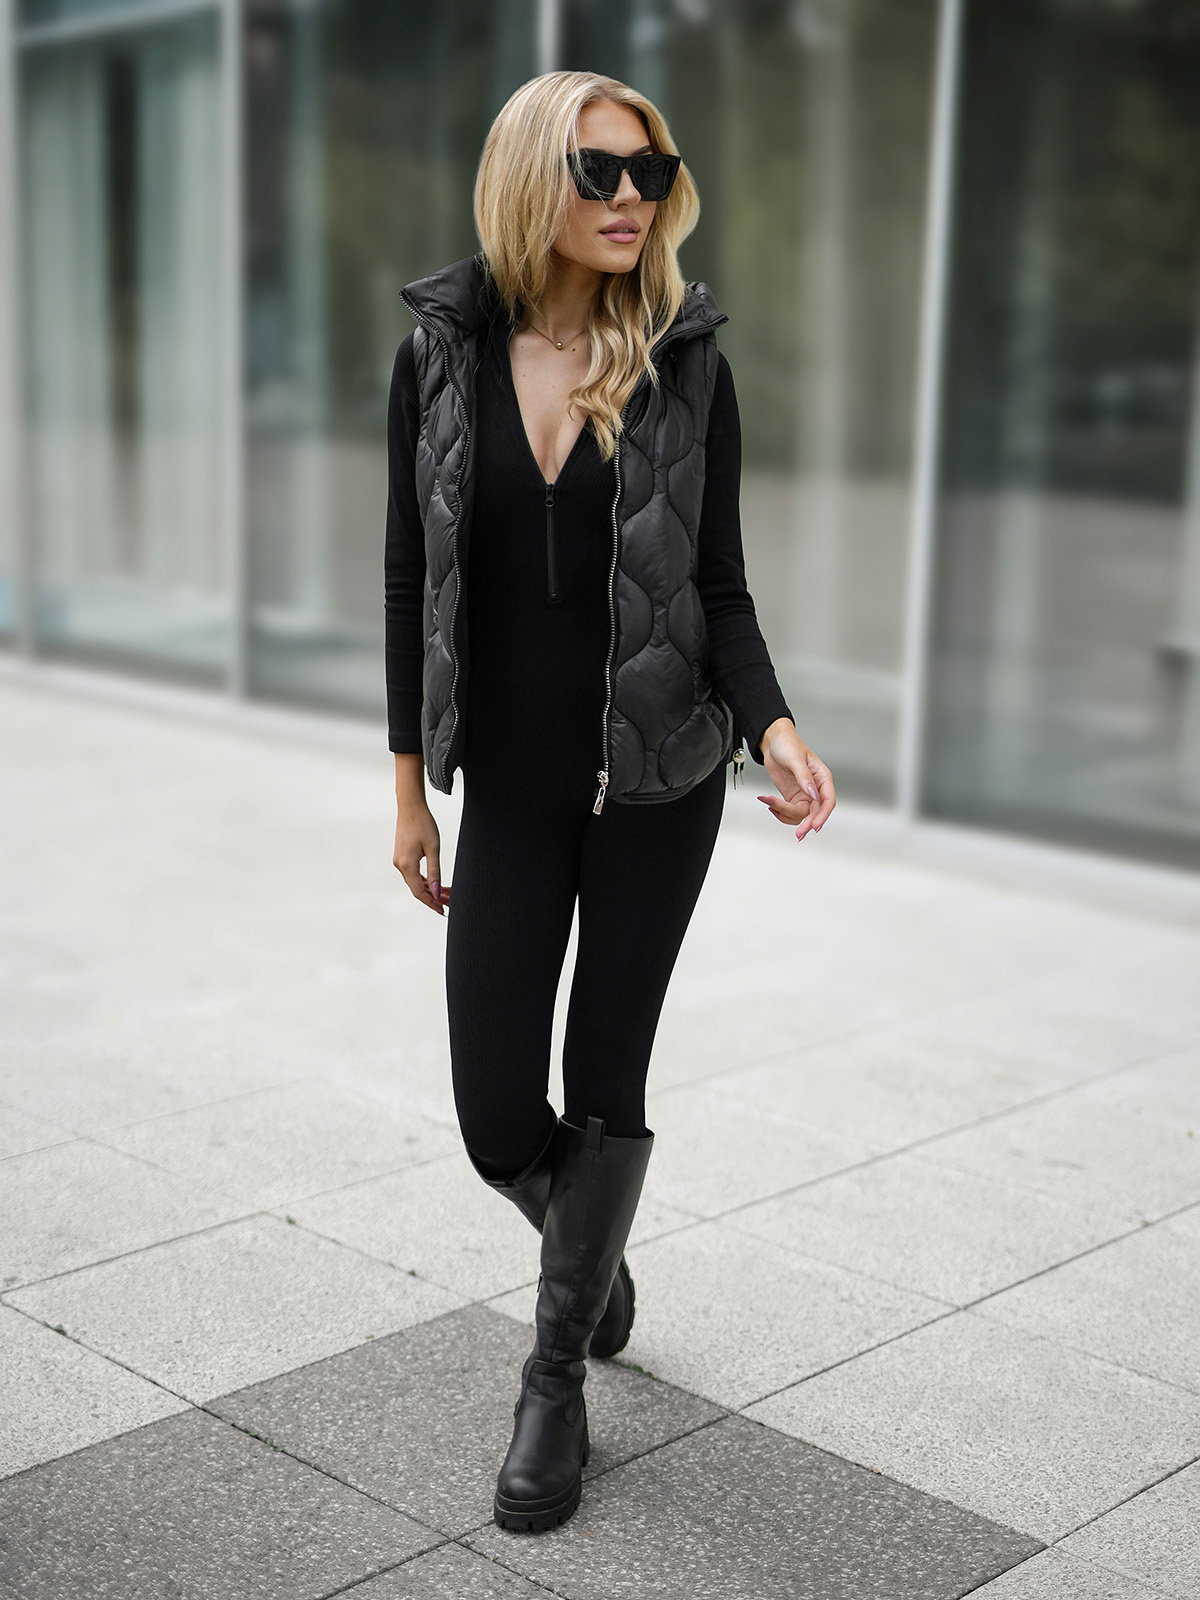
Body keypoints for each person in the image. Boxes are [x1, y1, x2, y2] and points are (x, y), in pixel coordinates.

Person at [384, 69, 835, 1534]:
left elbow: (721, 586)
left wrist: (774, 726)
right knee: (493, 1113)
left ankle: (553, 1379)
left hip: (658, 786)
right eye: (599, 171)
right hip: (512, 790)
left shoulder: (687, 366)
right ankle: (588, 1235)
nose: (632, 195)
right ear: (534, 178)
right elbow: (408, 581)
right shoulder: (440, 355)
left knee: (606, 1075)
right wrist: (411, 792)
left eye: (649, 170)